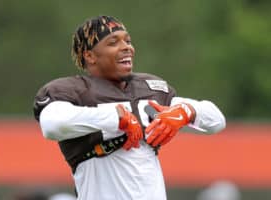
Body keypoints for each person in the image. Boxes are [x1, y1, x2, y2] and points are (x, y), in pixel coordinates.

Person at [33, 15, 226, 200]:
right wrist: (117, 118)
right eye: (113, 42)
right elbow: (52, 124)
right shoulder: (77, 91)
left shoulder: (149, 88)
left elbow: (216, 120)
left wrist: (185, 112)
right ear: (90, 55)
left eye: (128, 41)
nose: (127, 47)